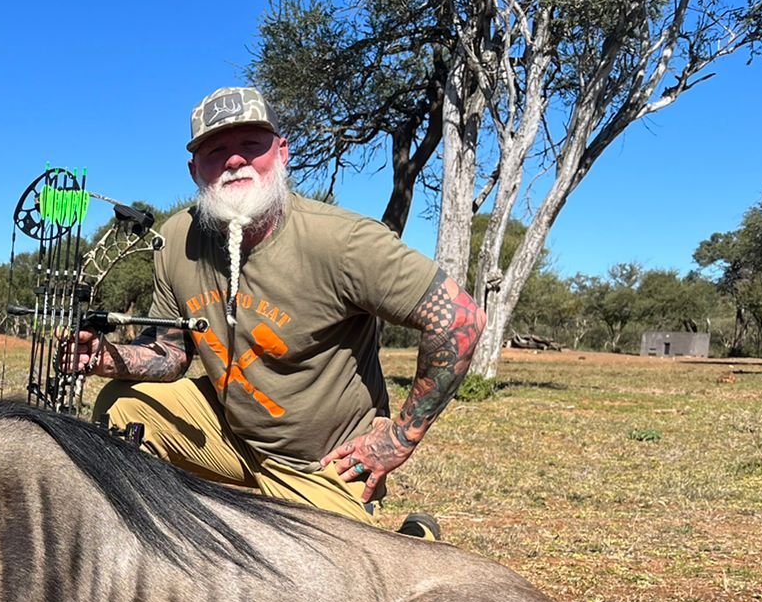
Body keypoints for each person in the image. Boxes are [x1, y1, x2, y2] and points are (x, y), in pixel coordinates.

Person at [66, 86, 484, 536]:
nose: (233, 160)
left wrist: (399, 439)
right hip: (229, 432)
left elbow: (460, 318)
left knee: (316, 596)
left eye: (251, 145)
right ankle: (161, 546)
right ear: (194, 170)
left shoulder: (340, 240)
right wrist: (109, 358)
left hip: (322, 463)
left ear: (281, 153)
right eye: (215, 151)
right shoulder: (177, 239)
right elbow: (172, 354)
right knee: (123, 408)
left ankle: (413, 539)